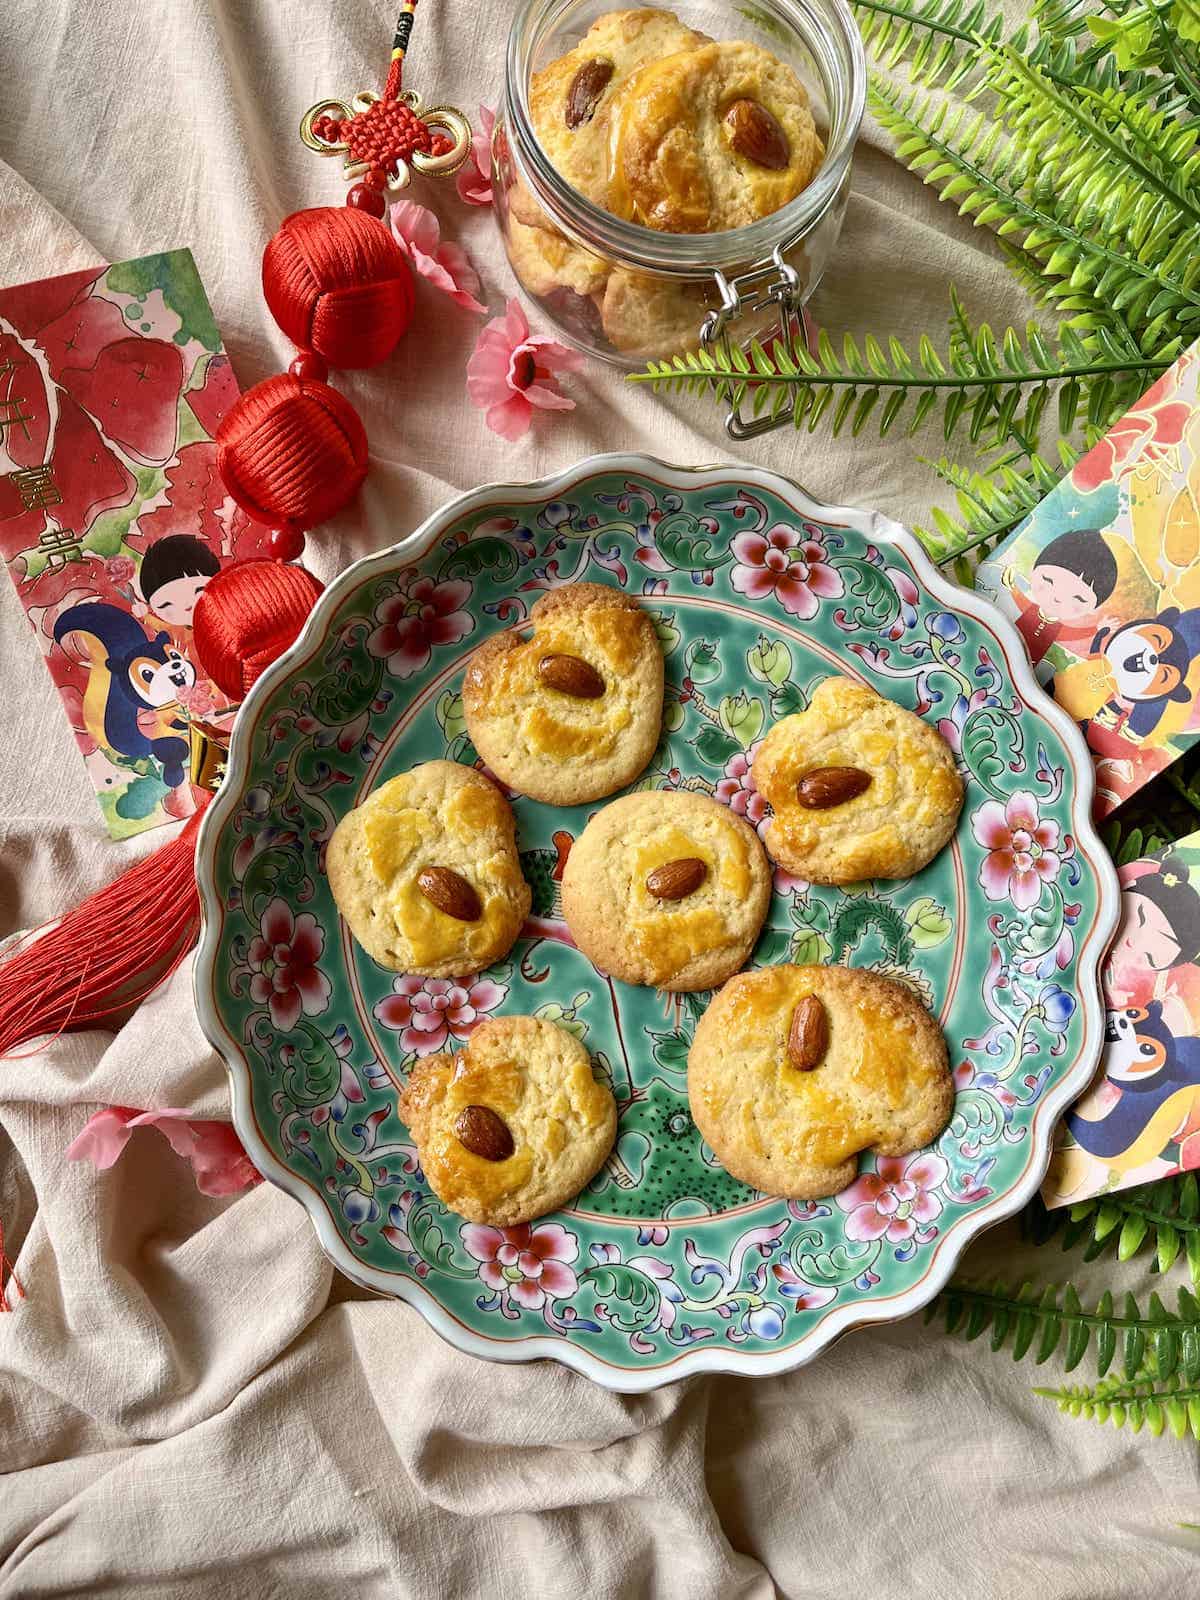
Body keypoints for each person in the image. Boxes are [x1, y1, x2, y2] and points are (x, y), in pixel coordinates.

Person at [1011, 527, 1119, 667]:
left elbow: (1074, 633)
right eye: (1048, 580)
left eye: (1078, 598)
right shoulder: (1031, 610)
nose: (1058, 598)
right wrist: (1012, 587)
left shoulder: (1058, 628)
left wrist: (1098, 629)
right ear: (1033, 570)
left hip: (1030, 667)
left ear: (1093, 609)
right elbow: (1021, 602)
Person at [136, 534, 221, 645]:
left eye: (199, 591)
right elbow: (161, 627)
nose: (186, 605)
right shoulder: (180, 634)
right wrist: (144, 615)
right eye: (167, 604)